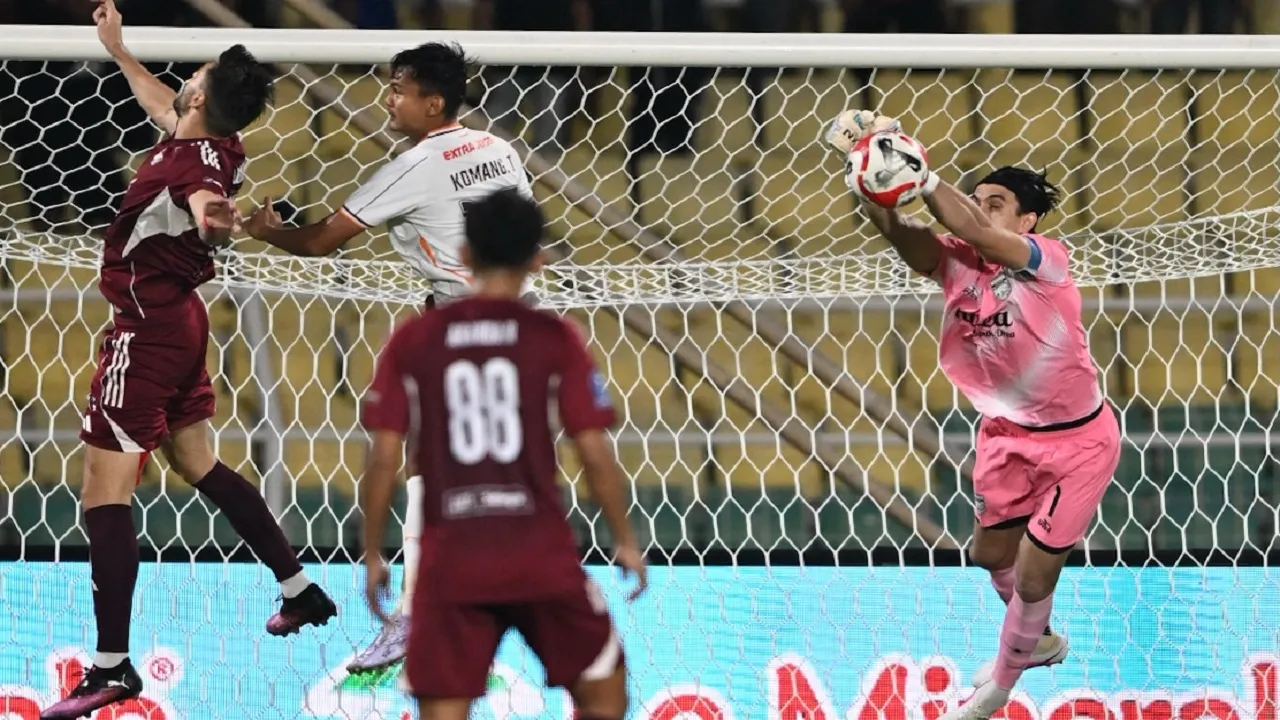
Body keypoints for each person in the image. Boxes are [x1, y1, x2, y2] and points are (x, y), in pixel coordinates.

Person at [41, 4, 338, 719]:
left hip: (145, 328)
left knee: (103, 493)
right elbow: (161, 107)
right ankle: (300, 588)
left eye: (194, 76)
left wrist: (230, 220)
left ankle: (112, 667)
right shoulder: (217, 143)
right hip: (183, 319)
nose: (184, 83)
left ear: (200, 96)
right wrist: (117, 49)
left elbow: (204, 206)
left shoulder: (187, 164)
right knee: (197, 461)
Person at [243, 41, 534, 675]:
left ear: (434, 102)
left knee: (422, 461)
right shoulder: (500, 150)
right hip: (521, 318)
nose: (388, 98)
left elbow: (322, 240)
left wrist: (268, 232)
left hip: (461, 322)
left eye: (399, 89)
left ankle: (414, 614)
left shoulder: (417, 163)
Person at [825, 112, 1121, 719]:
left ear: (1027, 220)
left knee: (1036, 579)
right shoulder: (957, 262)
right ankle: (1033, 640)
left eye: (995, 203)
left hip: (1078, 442)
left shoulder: (1047, 260)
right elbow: (905, 239)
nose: (982, 211)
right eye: (977, 199)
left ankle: (1000, 687)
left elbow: (980, 235)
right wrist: (871, 184)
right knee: (990, 557)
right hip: (1003, 435)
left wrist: (923, 177)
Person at [359, 187, 646, 720]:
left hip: (452, 560)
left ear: (464, 255)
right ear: (537, 258)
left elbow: (382, 459)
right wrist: (625, 541)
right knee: (606, 695)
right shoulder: (555, 337)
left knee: (442, 710)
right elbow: (594, 452)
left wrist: (374, 552)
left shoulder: (416, 339)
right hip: (538, 552)